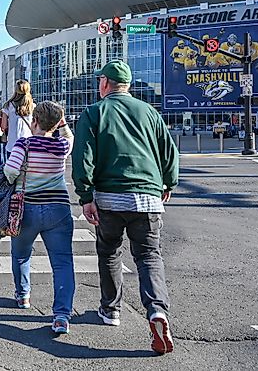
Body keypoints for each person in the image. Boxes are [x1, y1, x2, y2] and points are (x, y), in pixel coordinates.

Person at [71, 60, 179, 355]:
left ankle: (111, 310)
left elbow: (83, 157)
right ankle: (157, 310)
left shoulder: (94, 113)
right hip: (147, 196)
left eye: (99, 81)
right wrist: (168, 183)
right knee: (148, 255)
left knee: (109, 252)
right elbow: (169, 152)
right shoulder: (150, 113)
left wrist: (85, 195)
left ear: (105, 83)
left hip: (109, 197)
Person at [4, 101, 75, 334]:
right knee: (62, 262)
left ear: (34, 121)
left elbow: (11, 171)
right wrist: (61, 124)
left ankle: (23, 295)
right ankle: (62, 315)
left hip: (28, 208)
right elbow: (69, 138)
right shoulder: (62, 146)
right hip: (58, 209)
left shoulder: (24, 145)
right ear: (56, 124)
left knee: (21, 253)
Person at [1, 80, 34, 159]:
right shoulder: (33, 106)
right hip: (28, 144)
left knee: (12, 169)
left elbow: (3, 125)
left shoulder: (8, 105)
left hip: (13, 144)